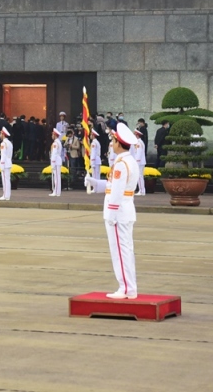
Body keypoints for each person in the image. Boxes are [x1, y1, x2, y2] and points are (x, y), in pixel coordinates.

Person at [85, 122, 141, 299]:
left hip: (118, 212)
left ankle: (126, 288)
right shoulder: (127, 161)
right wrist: (96, 183)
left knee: (120, 251)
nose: (111, 144)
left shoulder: (121, 163)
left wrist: (111, 213)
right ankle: (128, 287)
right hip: (124, 210)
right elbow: (115, 186)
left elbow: (117, 192)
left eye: (113, 140)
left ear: (119, 143)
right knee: (125, 249)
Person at [0, 127, 12, 201]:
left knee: (5, 181)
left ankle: (5, 195)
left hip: (5, 163)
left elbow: (3, 155)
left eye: (0, 133)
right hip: (8, 162)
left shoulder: (3, 143)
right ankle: (7, 195)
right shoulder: (9, 143)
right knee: (7, 180)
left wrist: (1, 164)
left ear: (3, 134)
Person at [49, 130, 63, 197]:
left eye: (52, 135)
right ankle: (57, 191)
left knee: (56, 178)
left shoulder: (55, 143)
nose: (52, 136)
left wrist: (53, 163)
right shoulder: (58, 142)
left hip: (56, 161)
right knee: (57, 177)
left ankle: (56, 191)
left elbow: (54, 154)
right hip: (57, 160)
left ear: (55, 135)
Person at [87, 129, 101, 193]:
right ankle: (97, 188)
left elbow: (93, 153)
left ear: (93, 135)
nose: (90, 136)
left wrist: (92, 161)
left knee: (94, 175)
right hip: (97, 159)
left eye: (91, 134)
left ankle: (95, 188)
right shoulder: (97, 142)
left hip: (95, 159)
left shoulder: (94, 143)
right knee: (97, 175)